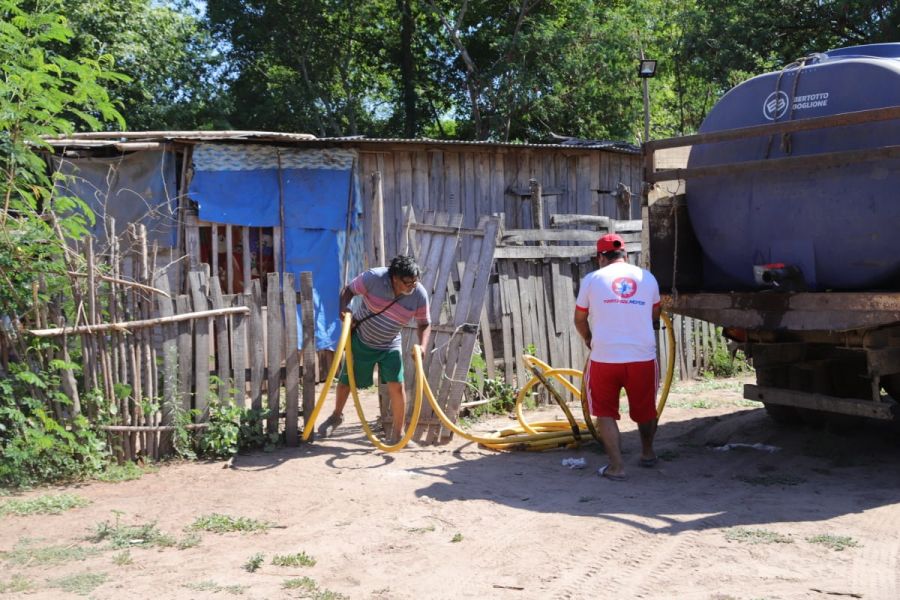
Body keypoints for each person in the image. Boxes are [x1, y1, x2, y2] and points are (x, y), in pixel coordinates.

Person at [573, 234, 661, 481]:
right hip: (642, 357)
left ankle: (616, 467)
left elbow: (579, 319)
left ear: (600, 257)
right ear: (626, 255)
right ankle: (648, 453)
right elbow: (656, 312)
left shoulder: (592, 279)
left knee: (605, 412)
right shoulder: (648, 278)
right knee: (646, 410)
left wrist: (589, 339)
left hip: (604, 358)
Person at [318, 255, 431, 443]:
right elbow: (348, 291)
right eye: (407, 282)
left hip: (390, 343)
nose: (412, 285)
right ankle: (336, 416)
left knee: (397, 385)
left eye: (415, 281)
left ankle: (398, 434)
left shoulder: (419, 294)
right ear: (394, 278)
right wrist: (344, 308)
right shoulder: (373, 278)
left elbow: (424, 323)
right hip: (362, 339)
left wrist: (423, 346)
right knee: (347, 382)